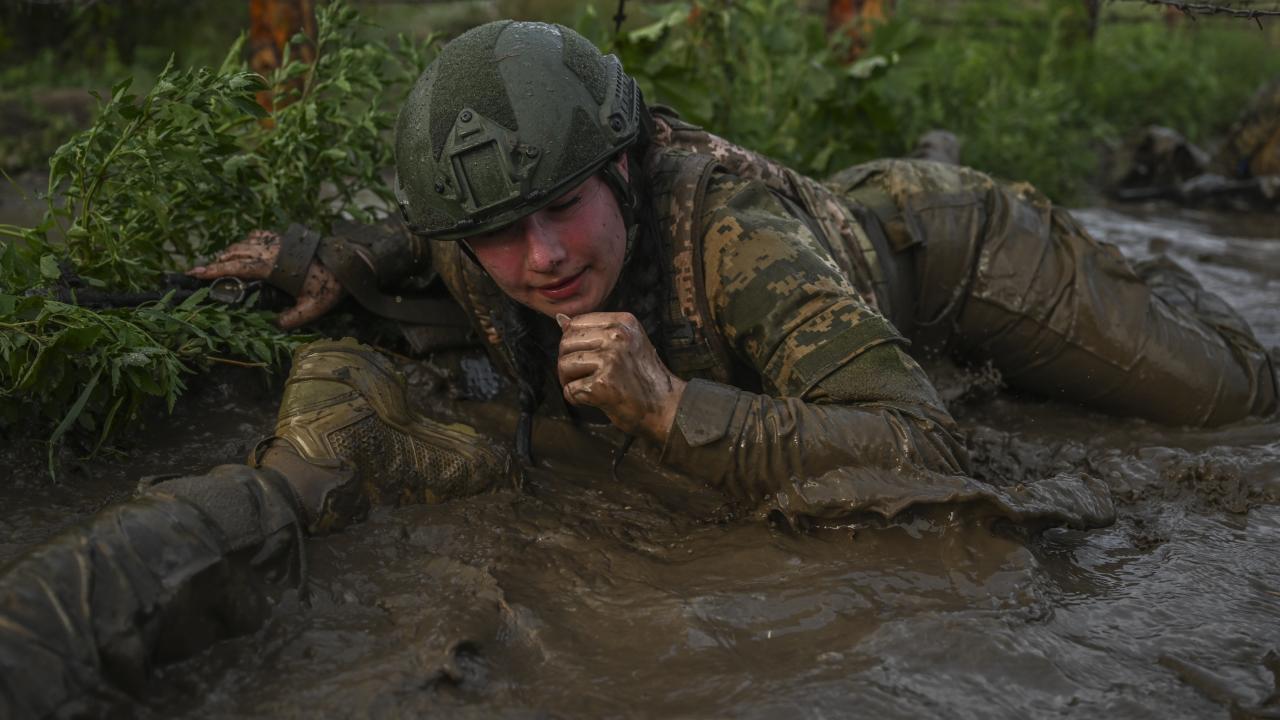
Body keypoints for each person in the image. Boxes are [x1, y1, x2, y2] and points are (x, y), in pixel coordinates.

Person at [1, 20, 1273, 714]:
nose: (540, 256)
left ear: (622, 165)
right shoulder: (476, 235)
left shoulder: (732, 234)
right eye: (495, 234)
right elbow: (435, 231)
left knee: (1226, 400)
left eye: (561, 208)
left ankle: (1130, 258)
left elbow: (924, 446)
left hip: (945, 253)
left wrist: (675, 409)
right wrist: (330, 256)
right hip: (784, 305)